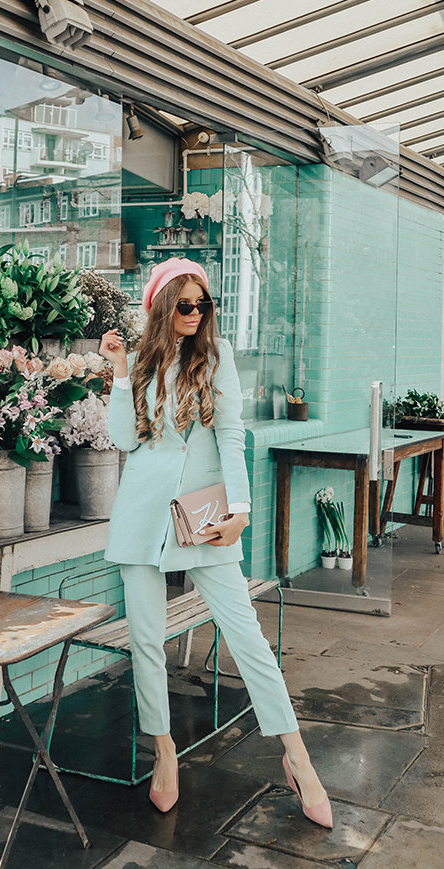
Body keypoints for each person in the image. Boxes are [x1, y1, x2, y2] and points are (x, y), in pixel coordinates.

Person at [99, 257, 331, 827]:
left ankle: (297, 756)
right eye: (185, 303)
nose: (196, 313)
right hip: (141, 516)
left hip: (204, 516)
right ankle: (164, 752)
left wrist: (242, 510)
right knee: (146, 643)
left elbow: (232, 435)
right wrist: (121, 372)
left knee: (248, 639)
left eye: (203, 304)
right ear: (161, 303)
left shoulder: (218, 357)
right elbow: (125, 440)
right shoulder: (146, 361)